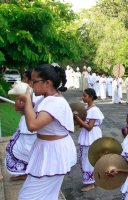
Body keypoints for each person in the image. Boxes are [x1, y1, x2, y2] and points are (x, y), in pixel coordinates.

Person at [17, 64, 76, 200]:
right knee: (47, 196)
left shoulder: (55, 102)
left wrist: (26, 98)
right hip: (46, 149)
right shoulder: (45, 98)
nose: (30, 85)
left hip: (53, 152)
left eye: (34, 82)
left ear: (47, 83)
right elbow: (21, 108)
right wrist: (24, 99)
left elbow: (32, 125)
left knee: (27, 197)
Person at [6, 71, 37, 181]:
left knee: (20, 149)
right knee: (20, 149)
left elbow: (18, 107)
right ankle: (26, 172)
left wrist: (20, 96)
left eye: (24, 79)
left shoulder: (30, 93)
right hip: (28, 125)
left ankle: (27, 172)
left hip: (29, 126)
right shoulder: (34, 92)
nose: (23, 81)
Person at [74, 88, 104, 192]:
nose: (83, 97)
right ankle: (93, 180)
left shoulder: (94, 110)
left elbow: (89, 127)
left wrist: (77, 119)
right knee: (86, 158)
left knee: (88, 159)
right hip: (87, 135)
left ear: (91, 97)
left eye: (85, 96)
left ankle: (90, 183)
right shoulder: (87, 107)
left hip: (91, 135)